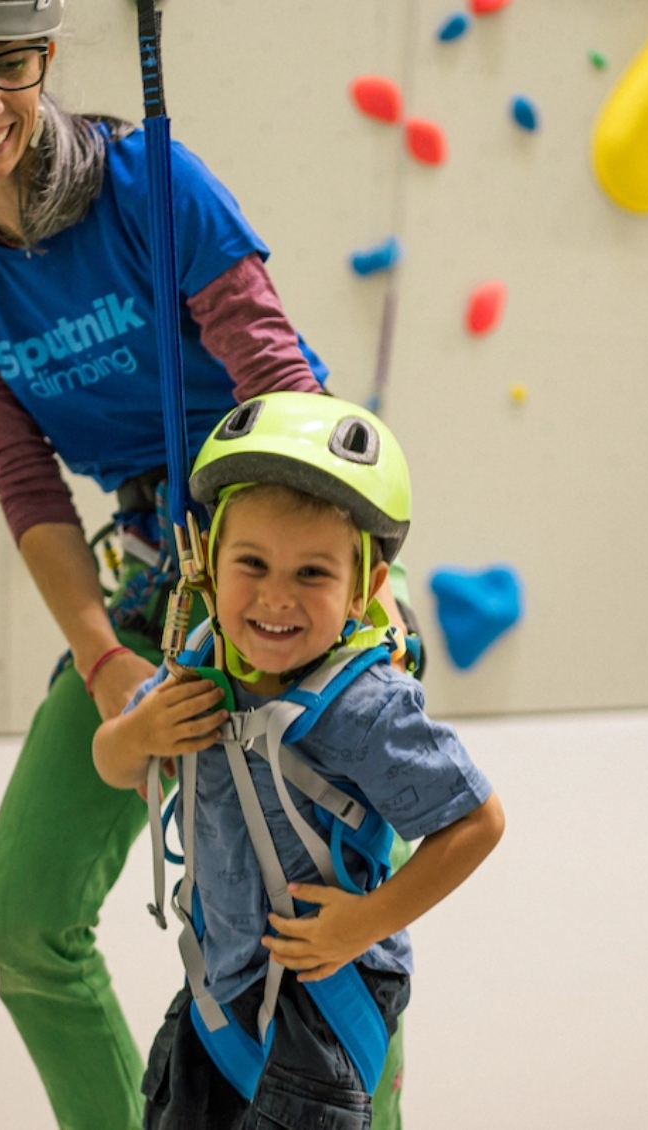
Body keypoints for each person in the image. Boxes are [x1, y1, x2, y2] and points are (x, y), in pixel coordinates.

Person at [0, 4, 409, 1125]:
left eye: (8, 65)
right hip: (151, 579)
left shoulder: (151, 182)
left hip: (275, 555)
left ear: (46, 60)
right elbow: (25, 478)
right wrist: (103, 657)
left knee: (323, 929)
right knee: (25, 919)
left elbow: (278, 375)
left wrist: (310, 587)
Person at [94, 393, 505, 1128]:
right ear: (208, 568)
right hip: (217, 990)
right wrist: (140, 733)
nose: (275, 596)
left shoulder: (366, 708)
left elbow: (477, 822)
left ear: (364, 591)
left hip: (326, 995)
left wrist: (365, 923)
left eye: (312, 574)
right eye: (250, 563)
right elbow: (112, 763)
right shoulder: (195, 670)